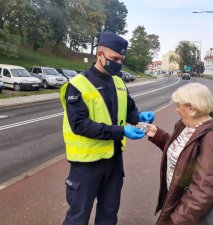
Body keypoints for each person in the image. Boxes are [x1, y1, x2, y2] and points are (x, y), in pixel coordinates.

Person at [59, 31, 155, 225]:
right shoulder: (78, 85)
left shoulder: (119, 82)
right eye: (114, 58)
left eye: (121, 59)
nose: (118, 63)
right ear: (99, 54)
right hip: (86, 164)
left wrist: (138, 118)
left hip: (114, 161)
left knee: (109, 214)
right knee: (78, 217)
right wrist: (122, 131)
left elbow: (128, 109)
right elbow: (80, 125)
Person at [145, 83, 213, 225]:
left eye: (178, 105)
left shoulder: (211, 138)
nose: (176, 109)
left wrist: (176, 220)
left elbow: (204, 192)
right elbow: (184, 153)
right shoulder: (186, 126)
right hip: (178, 200)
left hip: (189, 213)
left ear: (191, 108)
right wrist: (157, 135)